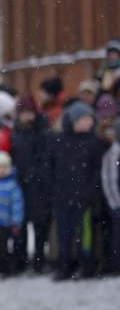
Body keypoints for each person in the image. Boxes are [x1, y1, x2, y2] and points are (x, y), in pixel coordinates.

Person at [46, 102, 108, 281]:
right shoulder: (58, 141)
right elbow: (49, 168)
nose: (87, 123)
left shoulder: (95, 143)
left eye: (89, 119)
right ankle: (63, 267)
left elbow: (97, 172)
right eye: (83, 119)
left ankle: (86, 267)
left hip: (85, 199)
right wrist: (54, 190)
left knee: (85, 236)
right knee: (64, 236)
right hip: (62, 197)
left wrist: (90, 193)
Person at [12, 96, 51, 273]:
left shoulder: (42, 131)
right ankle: (20, 261)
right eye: (24, 113)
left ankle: (39, 260)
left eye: (29, 113)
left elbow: (45, 157)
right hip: (19, 184)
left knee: (39, 224)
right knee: (20, 223)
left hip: (38, 185)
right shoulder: (15, 132)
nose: (27, 117)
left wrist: (36, 175)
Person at [100, 119, 120, 276]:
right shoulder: (113, 153)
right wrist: (115, 203)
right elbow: (109, 180)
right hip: (116, 203)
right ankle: (116, 265)